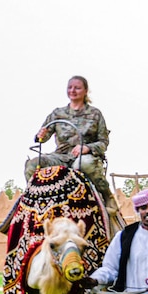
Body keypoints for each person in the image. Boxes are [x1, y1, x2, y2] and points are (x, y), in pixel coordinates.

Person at [25, 76, 115, 213]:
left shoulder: (95, 114)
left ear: (85, 91)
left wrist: (87, 148)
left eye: (77, 88)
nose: (73, 91)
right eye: (70, 87)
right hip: (60, 157)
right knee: (33, 164)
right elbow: (42, 137)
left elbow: (104, 142)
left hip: (84, 157)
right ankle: (33, 200)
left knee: (83, 164)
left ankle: (107, 196)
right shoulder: (57, 113)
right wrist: (40, 136)